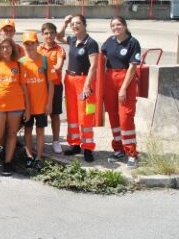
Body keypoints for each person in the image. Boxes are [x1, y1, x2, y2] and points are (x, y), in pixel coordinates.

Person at [0, 38, 30, 176]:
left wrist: (28, 108)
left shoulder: (19, 65)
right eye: (2, 47)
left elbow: (24, 88)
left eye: (8, 47)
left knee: (12, 134)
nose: (5, 50)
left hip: (16, 105)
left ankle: (7, 163)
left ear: (12, 48)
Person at [57, 14, 99, 162]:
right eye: (73, 24)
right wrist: (65, 22)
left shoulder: (91, 43)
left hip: (84, 81)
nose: (75, 26)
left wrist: (88, 84)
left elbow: (94, 66)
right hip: (70, 80)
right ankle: (75, 144)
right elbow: (58, 37)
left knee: (86, 115)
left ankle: (87, 147)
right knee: (73, 114)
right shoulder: (73, 39)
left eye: (78, 23)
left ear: (84, 24)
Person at [101, 17, 141, 167]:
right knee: (113, 117)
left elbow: (133, 67)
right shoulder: (110, 41)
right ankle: (118, 149)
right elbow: (101, 56)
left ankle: (132, 153)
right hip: (109, 79)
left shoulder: (133, 42)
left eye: (118, 24)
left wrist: (123, 88)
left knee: (126, 118)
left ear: (124, 26)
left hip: (125, 81)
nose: (116, 27)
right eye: (113, 25)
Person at [20, 32, 55, 169]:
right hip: (27, 106)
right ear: (23, 46)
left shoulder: (45, 60)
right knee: (28, 131)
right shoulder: (21, 62)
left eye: (32, 43)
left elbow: (51, 84)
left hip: (42, 105)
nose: (30, 46)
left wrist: (49, 103)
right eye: (27, 44)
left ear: (37, 44)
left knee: (40, 132)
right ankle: (29, 157)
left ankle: (39, 157)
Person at [38, 22, 66, 153]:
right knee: (40, 114)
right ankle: (40, 140)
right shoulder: (39, 49)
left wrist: (45, 69)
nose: (49, 36)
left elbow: (59, 66)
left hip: (55, 85)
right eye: (46, 33)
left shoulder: (59, 49)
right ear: (42, 35)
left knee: (55, 115)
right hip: (41, 87)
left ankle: (55, 141)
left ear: (55, 34)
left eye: (51, 33)